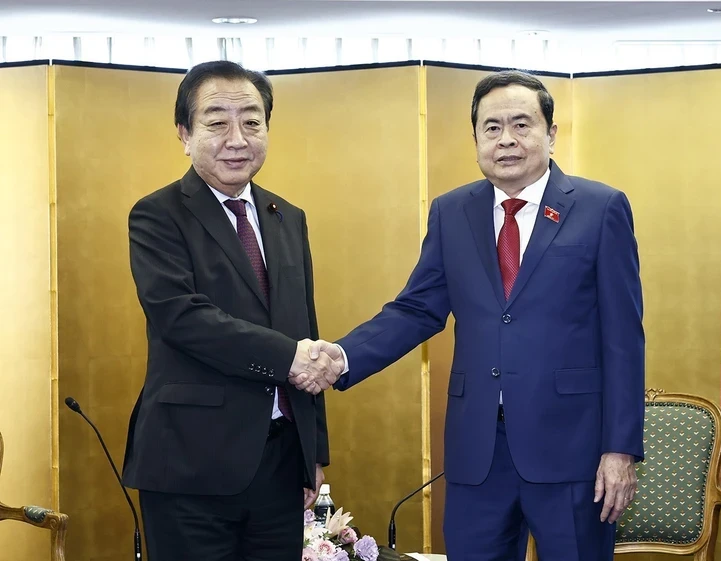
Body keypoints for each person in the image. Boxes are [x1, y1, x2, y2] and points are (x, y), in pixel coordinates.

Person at [301, 70, 645, 560]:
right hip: (477, 451)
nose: (506, 139)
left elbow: (623, 339)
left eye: (522, 125)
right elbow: (417, 308)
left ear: (551, 133)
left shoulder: (600, 207)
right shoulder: (452, 211)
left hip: (573, 450)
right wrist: (341, 355)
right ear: (476, 138)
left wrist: (621, 448)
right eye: (492, 127)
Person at [121, 60, 342, 561]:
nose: (237, 138)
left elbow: (305, 329)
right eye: (217, 122)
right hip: (190, 465)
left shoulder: (288, 217)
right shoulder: (157, 215)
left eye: (252, 121)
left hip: (282, 462)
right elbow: (182, 318)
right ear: (184, 133)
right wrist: (290, 356)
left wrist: (315, 452)